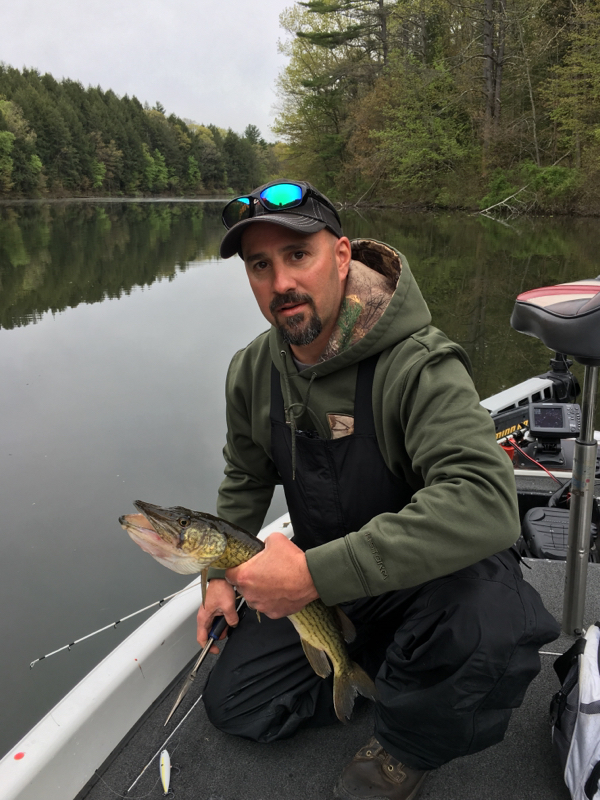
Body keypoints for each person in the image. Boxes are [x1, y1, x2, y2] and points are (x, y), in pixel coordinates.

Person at [196, 180, 560, 800]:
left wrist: (312, 576)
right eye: (261, 265)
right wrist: (217, 575)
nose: (280, 282)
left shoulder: (420, 365)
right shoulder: (252, 370)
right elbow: (246, 477)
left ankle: (405, 744)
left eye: (297, 255)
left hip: (432, 586)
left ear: (340, 257)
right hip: (334, 588)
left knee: (488, 624)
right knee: (235, 704)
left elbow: (485, 500)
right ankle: (382, 671)